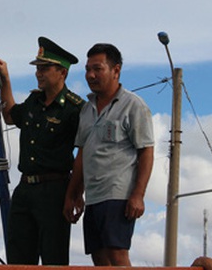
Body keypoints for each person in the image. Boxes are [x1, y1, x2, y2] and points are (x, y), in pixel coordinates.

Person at [0, 37, 84, 265]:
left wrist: (74, 194)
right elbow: (9, 115)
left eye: (45, 68)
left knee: (54, 258)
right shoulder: (34, 101)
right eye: (37, 68)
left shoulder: (76, 109)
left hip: (55, 190)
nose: (39, 73)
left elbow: (84, 154)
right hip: (25, 189)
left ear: (62, 72)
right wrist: (5, 80)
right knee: (18, 258)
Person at [63, 43, 154, 267]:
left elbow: (146, 151)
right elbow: (83, 153)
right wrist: (73, 194)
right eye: (87, 70)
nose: (90, 75)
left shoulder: (133, 105)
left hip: (118, 195)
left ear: (116, 70)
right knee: (99, 258)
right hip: (94, 197)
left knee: (117, 255)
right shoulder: (86, 109)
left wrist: (138, 195)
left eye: (97, 69)